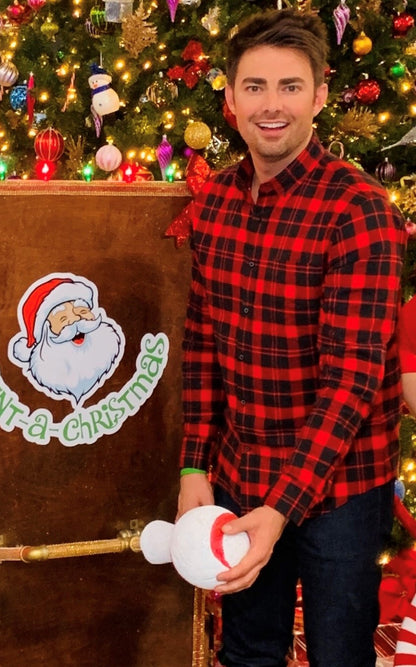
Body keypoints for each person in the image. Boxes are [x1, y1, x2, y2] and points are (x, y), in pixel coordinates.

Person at [177, 9, 407, 666]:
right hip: (242, 471)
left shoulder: (360, 211)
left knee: (338, 649)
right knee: (249, 648)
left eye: (290, 86)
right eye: (254, 86)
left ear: (321, 95)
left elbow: (353, 380)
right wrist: (196, 466)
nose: (271, 105)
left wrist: (281, 507)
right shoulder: (216, 201)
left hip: (340, 486)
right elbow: (202, 345)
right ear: (229, 97)